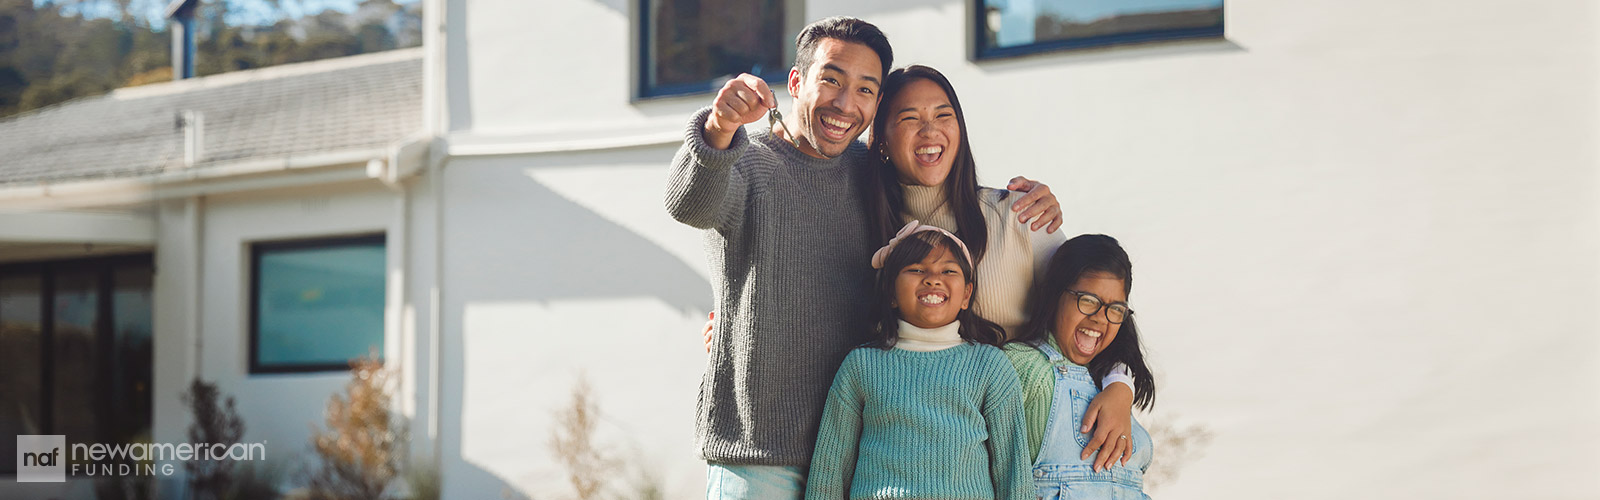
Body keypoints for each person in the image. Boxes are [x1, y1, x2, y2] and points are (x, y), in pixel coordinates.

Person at [665, 16, 1063, 499]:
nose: (845, 103)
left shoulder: (873, 178)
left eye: (866, 90)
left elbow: (934, 188)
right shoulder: (746, 161)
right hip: (761, 456)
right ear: (796, 81)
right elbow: (689, 203)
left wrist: (1029, 201)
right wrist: (721, 124)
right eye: (831, 80)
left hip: (863, 457)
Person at [865, 63, 1141, 465]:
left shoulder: (1018, 216)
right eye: (909, 119)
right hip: (942, 458)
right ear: (882, 141)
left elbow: (1099, 311)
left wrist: (1120, 386)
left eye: (944, 115)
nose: (930, 132)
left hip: (1041, 451)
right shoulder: (875, 241)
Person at [805, 223, 1031, 500]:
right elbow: (830, 467)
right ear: (890, 293)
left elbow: (1013, 468)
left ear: (966, 295)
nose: (933, 279)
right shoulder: (862, 365)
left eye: (948, 271)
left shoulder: (990, 366)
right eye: (916, 270)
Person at [1004, 234, 1156, 499]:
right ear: (1054, 295)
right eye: (1087, 300)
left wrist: (1120, 387)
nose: (1100, 318)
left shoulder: (1112, 379)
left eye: (1115, 309)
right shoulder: (1024, 367)